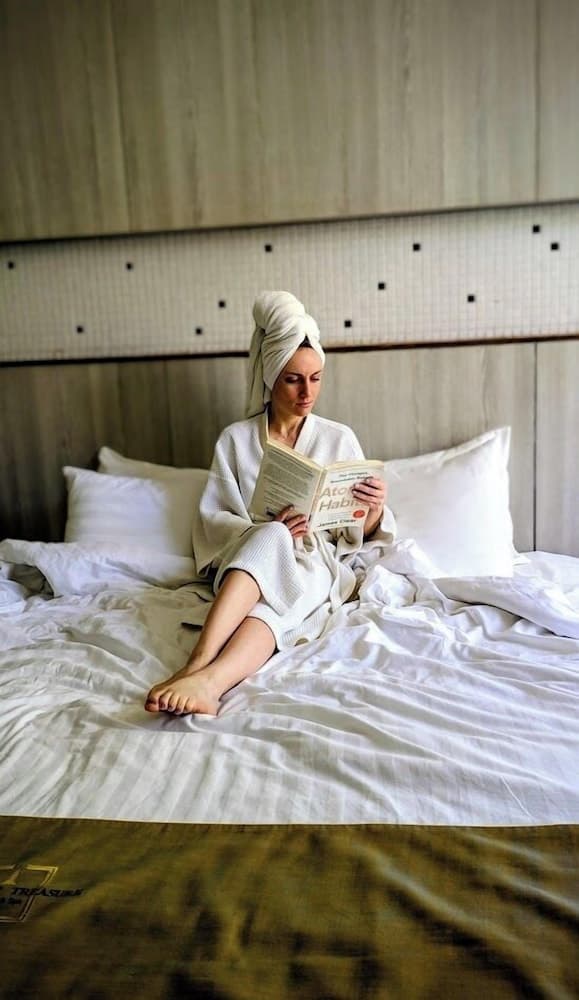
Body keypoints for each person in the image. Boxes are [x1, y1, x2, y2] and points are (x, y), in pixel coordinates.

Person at [145, 291, 395, 716]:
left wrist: (372, 510)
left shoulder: (338, 439)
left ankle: (209, 683)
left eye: (316, 378)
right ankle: (197, 664)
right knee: (273, 535)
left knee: (277, 604)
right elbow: (214, 521)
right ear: (271, 375)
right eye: (294, 379)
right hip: (250, 559)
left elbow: (358, 534)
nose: (307, 392)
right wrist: (269, 529)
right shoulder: (235, 440)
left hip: (315, 561)